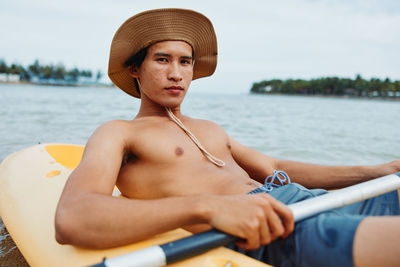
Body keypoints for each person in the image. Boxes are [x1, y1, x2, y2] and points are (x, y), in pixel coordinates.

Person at [55, 8, 400, 267]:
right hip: (264, 228)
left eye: (185, 62)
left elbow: (274, 166)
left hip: (305, 198)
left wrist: (378, 171)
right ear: (135, 69)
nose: (176, 73)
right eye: (162, 60)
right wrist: (207, 207)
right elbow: (73, 217)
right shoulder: (119, 133)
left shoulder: (209, 128)